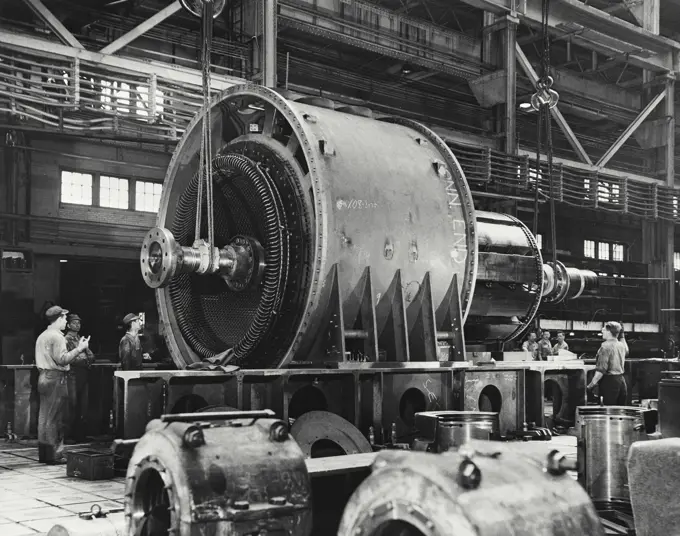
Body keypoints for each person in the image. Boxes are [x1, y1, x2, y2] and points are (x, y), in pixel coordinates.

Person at [35, 305, 90, 464]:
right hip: (56, 379)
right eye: (65, 318)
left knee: (44, 418)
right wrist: (80, 348)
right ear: (58, 319)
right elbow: (63, 359)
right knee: (56, 418)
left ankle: (45, 454)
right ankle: (55, 455)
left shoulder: (42, 336)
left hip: (44, 377)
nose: (66, 321)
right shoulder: (57, 337)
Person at [64, 314, 95, 443]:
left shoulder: (80, 339)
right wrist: (84, 359)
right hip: (72, 374)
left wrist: (85, 355)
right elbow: (71, 358)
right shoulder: (66, 339)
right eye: (74, 322)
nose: (77, 325)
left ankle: (79, 434)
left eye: (79, 323)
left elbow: (91, 356)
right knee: (72, 405)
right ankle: (68, 435)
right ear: (68, 325)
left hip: (82, 373)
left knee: (83, 405)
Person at [587, 321, 627, 405]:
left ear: (609, 331)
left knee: (609, 411)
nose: (602, 330)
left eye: (604, 329)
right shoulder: (621, 345)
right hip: (621, 382)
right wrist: (622, 335)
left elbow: (601, 370)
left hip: (610, 383)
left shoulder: (605, 346)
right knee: (619, 411)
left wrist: (590, 386)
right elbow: (627, 351)